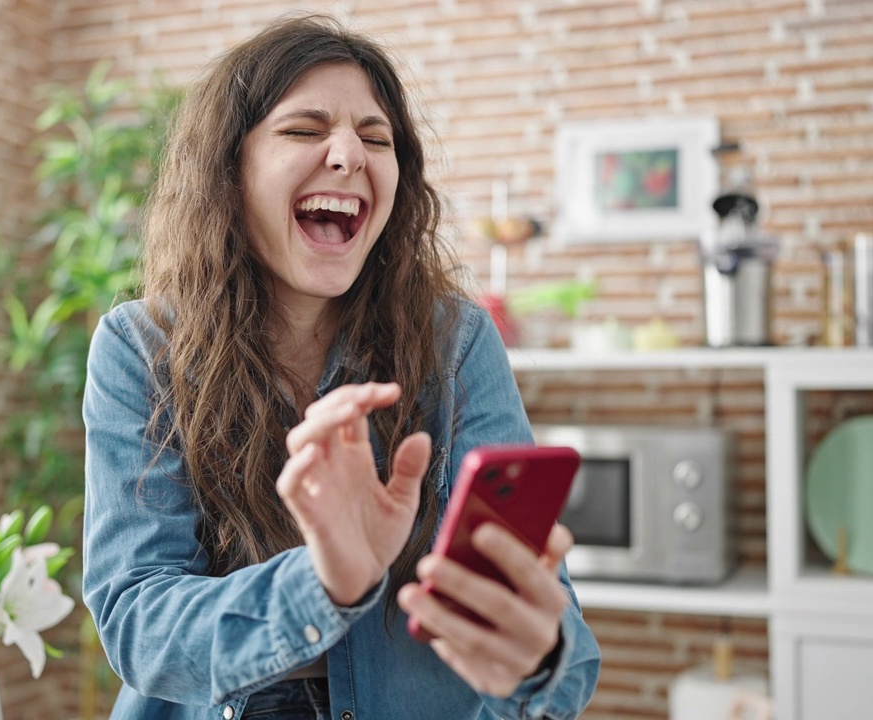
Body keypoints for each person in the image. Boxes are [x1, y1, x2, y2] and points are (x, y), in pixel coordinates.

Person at [82, 13, 600, 720]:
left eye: (376, 138)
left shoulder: (456, 342)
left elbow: (561, 655)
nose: (349, 154)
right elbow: (137, 620)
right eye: (304, 130)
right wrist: (327, 582)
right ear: (227, 171)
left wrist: (538, 658)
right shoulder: (139, 347)